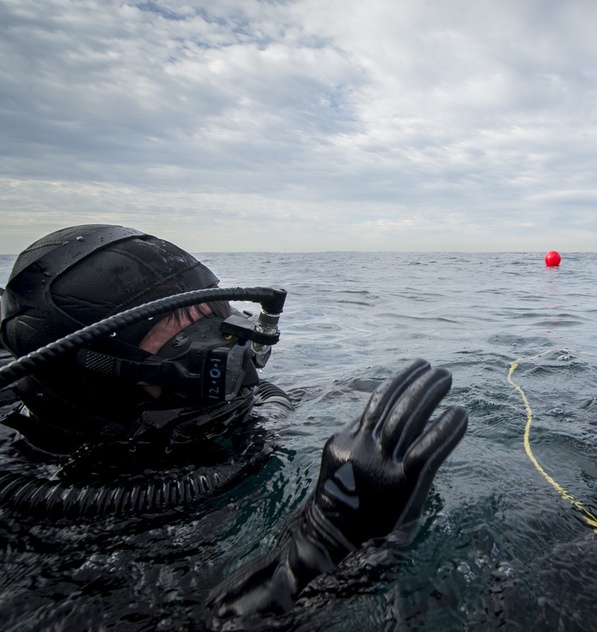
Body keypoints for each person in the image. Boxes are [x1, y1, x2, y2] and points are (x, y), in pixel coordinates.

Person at [0, 224, 468, 623]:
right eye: (184, 328)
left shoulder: (221, 407)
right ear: (101, 372)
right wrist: (317, 554)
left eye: (216, 309)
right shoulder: (55, 531)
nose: (225, 339)